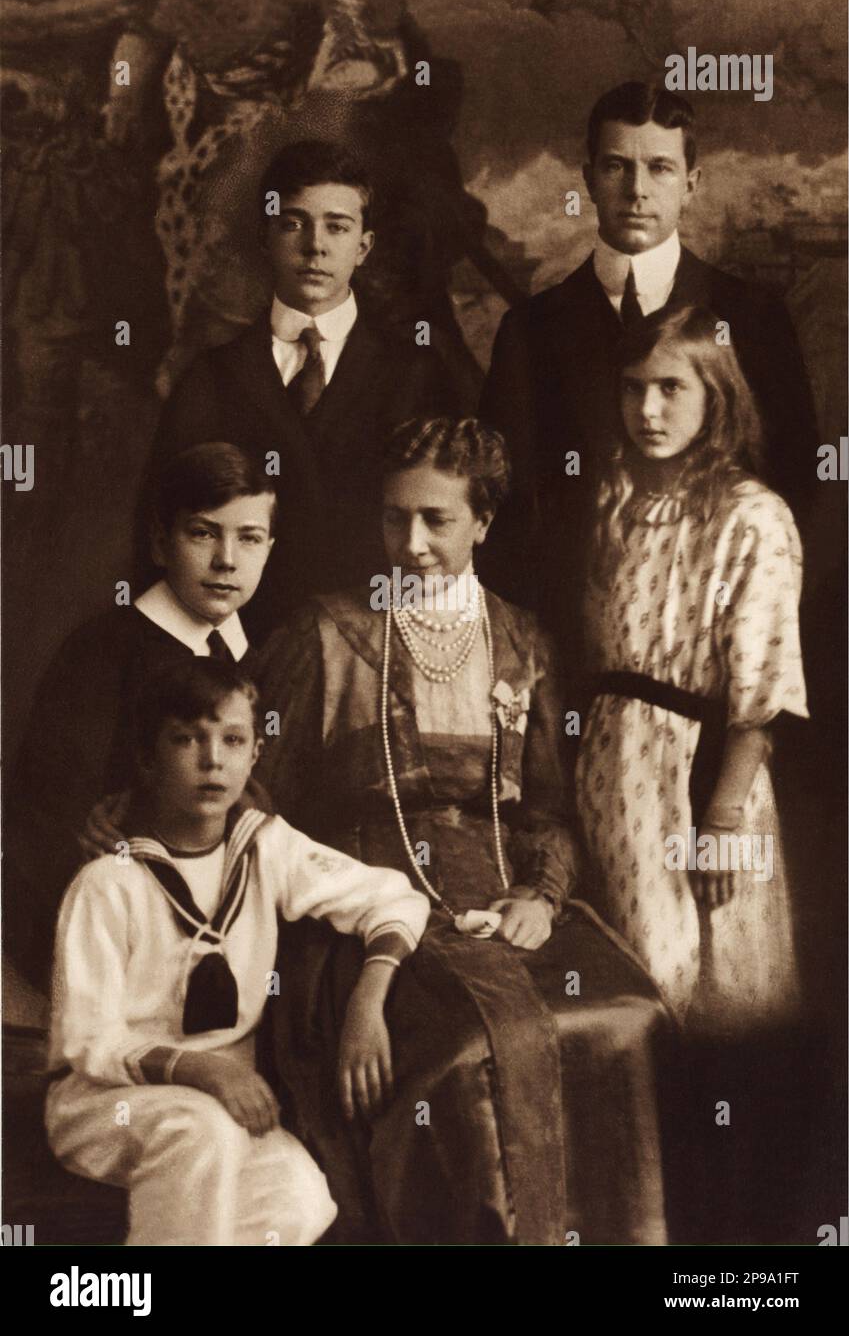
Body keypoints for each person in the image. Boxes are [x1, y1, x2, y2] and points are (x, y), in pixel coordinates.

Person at [254, 417, 671, 1246]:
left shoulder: (521, 641)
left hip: (502, 899)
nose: (410, 543)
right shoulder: (326, 634)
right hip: (358, 910)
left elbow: (546, 809)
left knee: (628, 1016)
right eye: (393, 517)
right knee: (463, 1048)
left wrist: (542, 898)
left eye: (436, 520)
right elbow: (256, 797)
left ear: (482, 521)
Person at [45, 658, 429, 1247]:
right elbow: (86, 1041)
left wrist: (367, 1000)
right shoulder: (107, 883)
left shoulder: (265, 850)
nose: (212, 760)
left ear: (254, 757)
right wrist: (200, 1068)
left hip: (225, 1103)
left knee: (300, 1201)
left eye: (232, 739)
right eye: (185, 739)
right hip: (109, 1103)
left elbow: (394, 898)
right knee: (200, 1136)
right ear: (146, 761)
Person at [479, 81, 818, 662]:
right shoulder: (531, 330)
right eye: (616, 167)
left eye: (659, 169)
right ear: (588, 179)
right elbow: (503, 512)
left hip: (711, 650)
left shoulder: (752, 319)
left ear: (691, 184)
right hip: (567, 651)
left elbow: (793, 487)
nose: (637, 191)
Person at [575, 305, 808, 1031]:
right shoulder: (611, 504)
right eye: (631, 387)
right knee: (619, 992)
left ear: (714, 397)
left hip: (698, 779)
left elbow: (762, 696)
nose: (647, 409)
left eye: (671, 388)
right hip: (611, 776)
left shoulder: (750, 516)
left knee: (701, 987)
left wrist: (721, 822)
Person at [141, 139, 454, 640]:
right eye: (293, 223)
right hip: (239, 653)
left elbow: (443, 534)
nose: (315, 246)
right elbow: (158, 533)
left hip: (373, 648)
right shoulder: (213, 377)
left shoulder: (414, 374)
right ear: (264, 236)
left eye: (337, 226)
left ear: (364, 247)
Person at [5, 441, 276, 990]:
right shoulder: (105, 651)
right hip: (109, 918)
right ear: (160, 541)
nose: (227, 559)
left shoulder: (261, 654)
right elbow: (46, 815)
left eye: (248, 538)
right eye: (202, 533)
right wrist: (91, 834)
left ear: (269, 547)